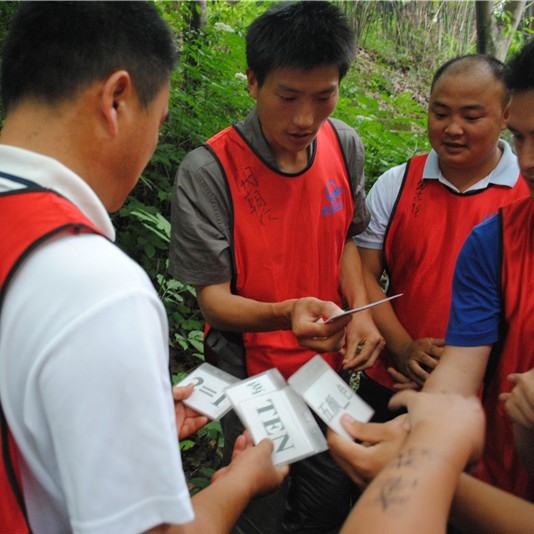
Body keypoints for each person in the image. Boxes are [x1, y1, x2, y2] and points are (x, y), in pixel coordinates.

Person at [0, 3, 287, 533]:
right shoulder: (98, 288)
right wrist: (242, 480)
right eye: (159, 121)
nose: (155, 142)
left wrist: (126, 420)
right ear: (117, 99)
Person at [169, 2, 384, 531]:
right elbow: (214, 301)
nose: (305, 118)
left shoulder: (344, 144)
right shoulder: (211, 170)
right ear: (253, 82)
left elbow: (345, 241)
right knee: (258, 503)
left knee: (328, 497)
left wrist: (362, 311)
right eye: (287, 96)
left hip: (325, 366)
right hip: (251, 370)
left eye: (323, 96)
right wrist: (287, 312)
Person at [329, 37, 534, 526]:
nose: (529, 160)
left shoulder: (510, 199)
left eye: (471, 115)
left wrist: (425, 456)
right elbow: (457, 377)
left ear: (499, 116)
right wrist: (423, 436)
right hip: (466, 432)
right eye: (526, 140)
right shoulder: (495, 240)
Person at [354, 54, 530, 422]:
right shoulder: (398, 183)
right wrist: (403, 348)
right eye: (440, 113)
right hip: (391, 379)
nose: (452, 128)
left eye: (471, 116)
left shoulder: (523, 196)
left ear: (505, 117)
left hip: (491, 402)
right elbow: (362, 274)